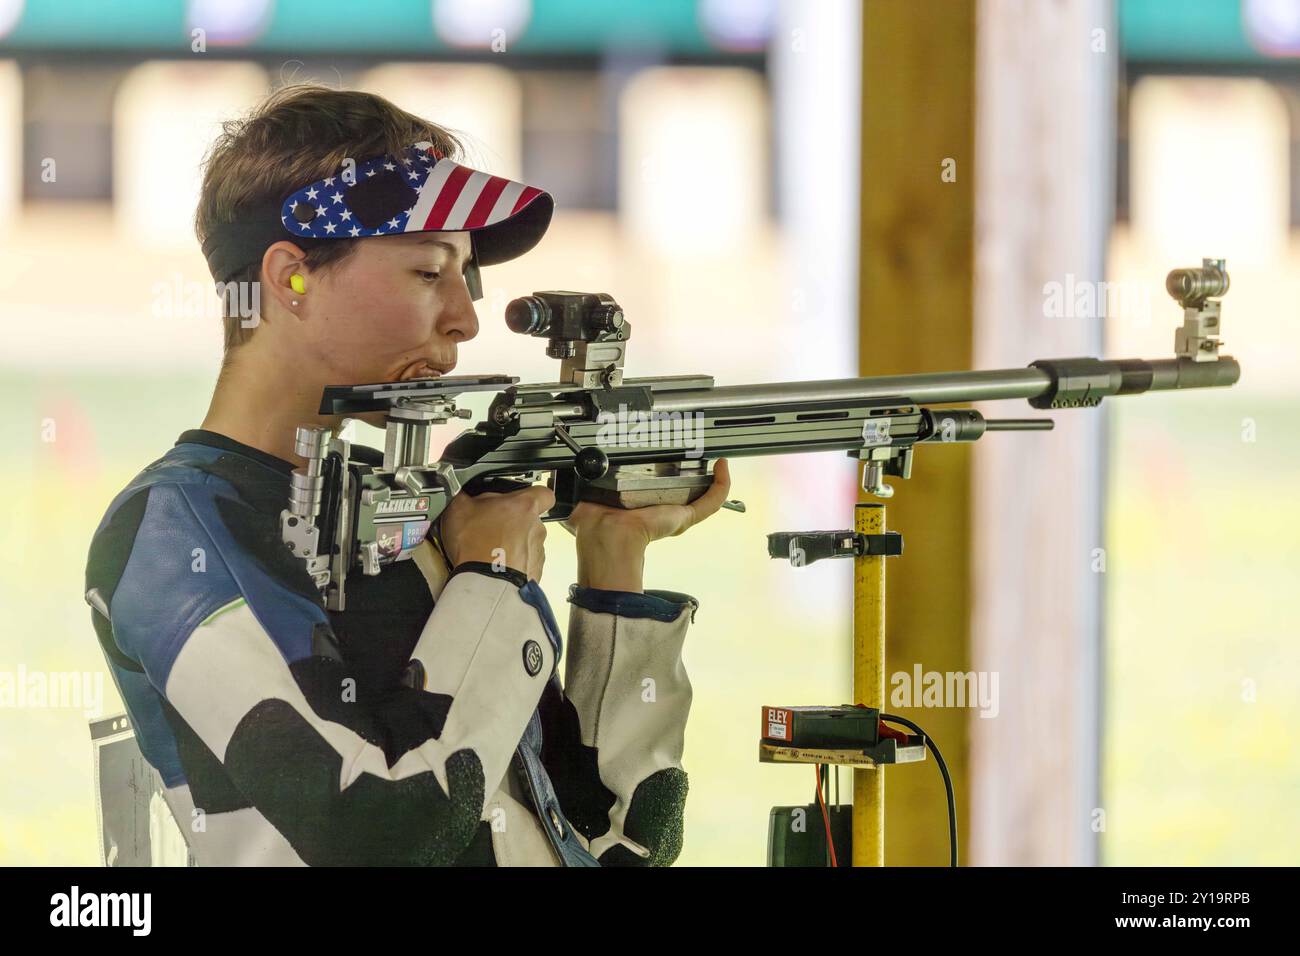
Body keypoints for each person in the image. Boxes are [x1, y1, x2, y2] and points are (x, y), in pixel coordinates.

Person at [83, 84, 731, 866]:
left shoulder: (412, 511)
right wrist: (491, 582)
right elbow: (380, 831)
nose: (465, 317)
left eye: (466, 276)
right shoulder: (169, 532)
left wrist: (614, 558)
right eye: (429, 272)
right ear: (290, 276)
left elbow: (621, 842)